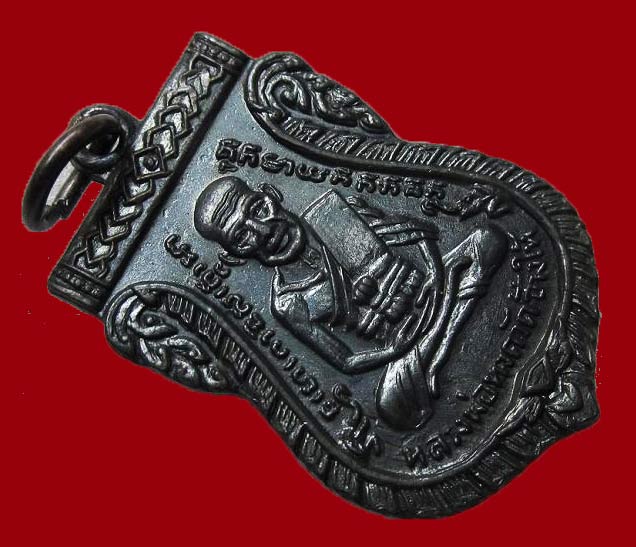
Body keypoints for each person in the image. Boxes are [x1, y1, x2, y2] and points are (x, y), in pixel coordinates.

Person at [195, 176, 508, 429]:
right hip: (407, 346)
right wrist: (392, 350)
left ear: (270, 194)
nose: (264, 232)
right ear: (233, 255)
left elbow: (418, 234)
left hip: (432, 290)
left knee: (487, 240)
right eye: (241, 237)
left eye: (257, 209)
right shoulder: (289, 301)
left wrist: (434, 275)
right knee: (396, 409)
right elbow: (345, 360)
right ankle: (443, 341)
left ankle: (443, 344)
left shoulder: (331, 214)